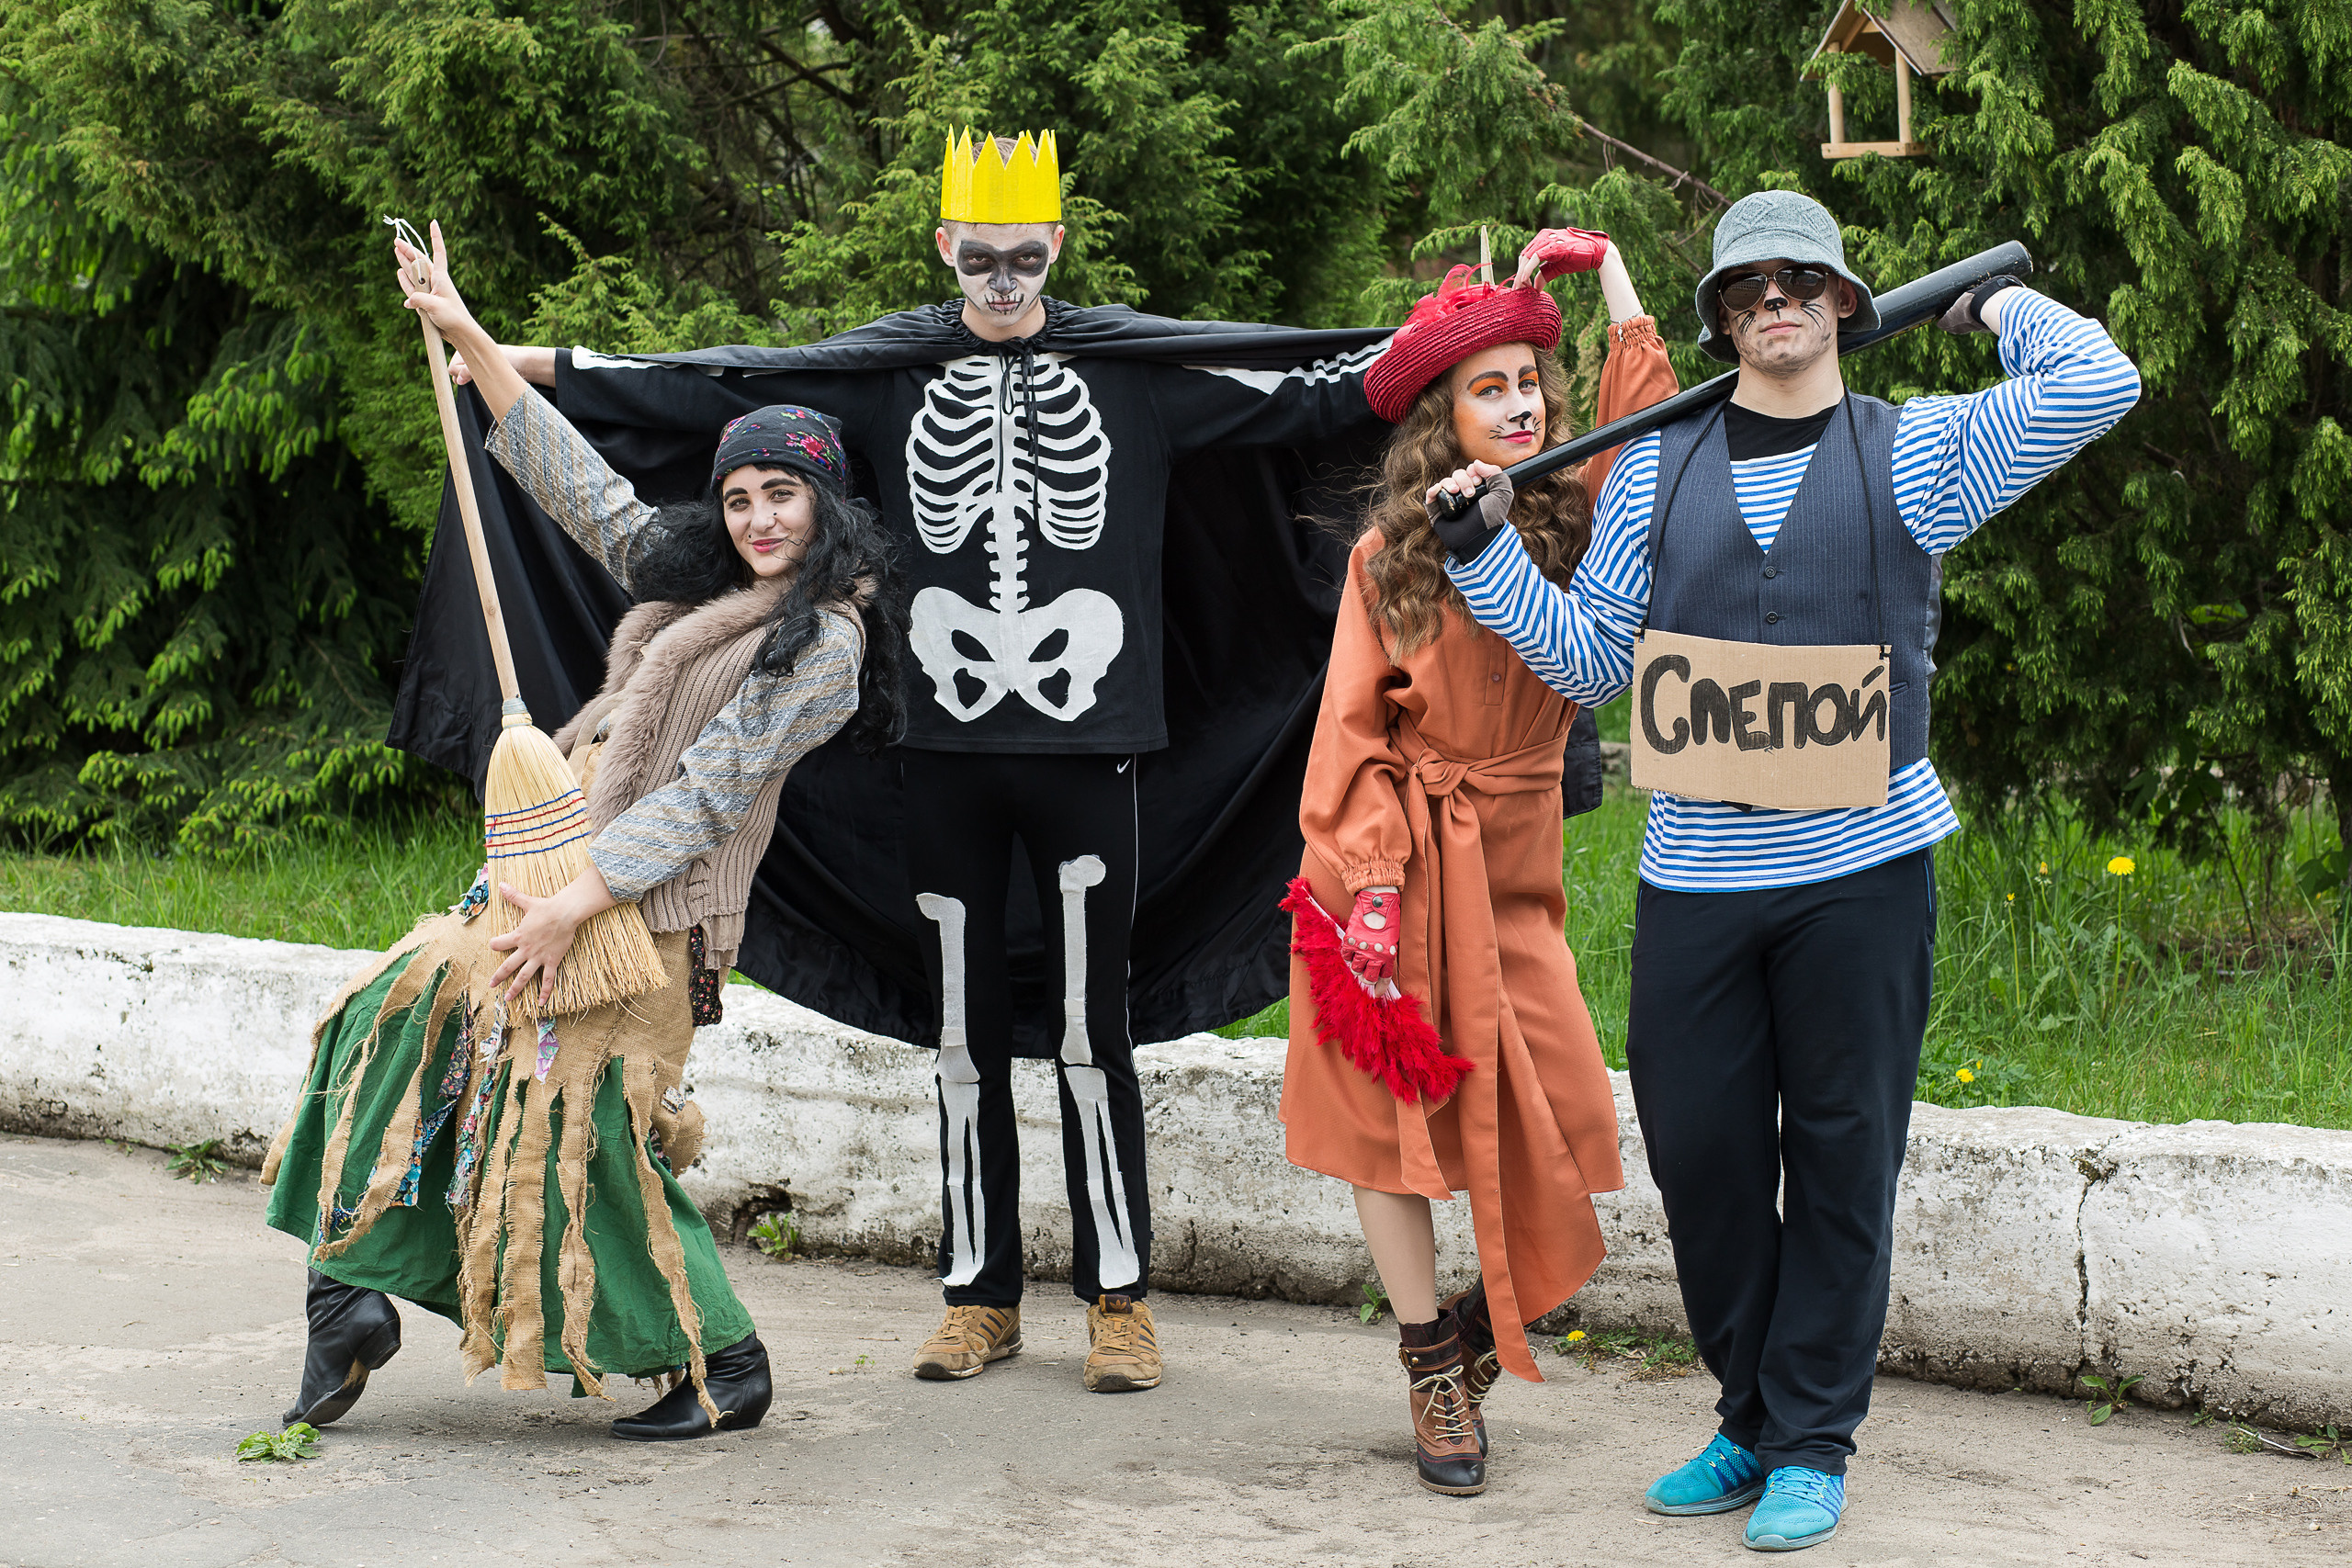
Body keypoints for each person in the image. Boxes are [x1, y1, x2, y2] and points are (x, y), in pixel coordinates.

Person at [447, 130, 1392, 1394]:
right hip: (942, 754)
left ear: (1058, 244)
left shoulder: (1137, 373)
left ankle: (1120, 1299)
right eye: (980, 255)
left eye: (1025, 254)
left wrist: (1467, 333)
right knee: (963, 1033)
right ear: (945, 247)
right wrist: (523, 364)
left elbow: (1317, 392)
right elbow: (719, 388)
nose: (1003, 279)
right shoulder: (893, 374)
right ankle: (977, 1296)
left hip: (1088, 750)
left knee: (1088, 1030)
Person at [1431, 191, 2140, 1546]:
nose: (1776, 301)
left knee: (1840, 1159)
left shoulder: (1920, 452)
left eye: (1802, 280)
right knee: (1700, 1161)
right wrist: (1484, 559)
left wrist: (1987, 306)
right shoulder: (1653, 467)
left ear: (1843, 302)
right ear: (1720, 316)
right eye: (1749, 285)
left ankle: (1810, 1434)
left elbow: (2098, 381)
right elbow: (1589, 660)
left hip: (1862, 873)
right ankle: (1749, 1413)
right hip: (1698, 873)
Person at [260, 220, 906, 1442]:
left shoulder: (825, 643)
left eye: (782, 493)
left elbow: (708, 796)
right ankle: (346, 1291)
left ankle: (726, 1364)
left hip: (643, 928)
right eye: (740, 496)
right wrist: (467, 334)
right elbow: (585, 492)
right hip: (550, 889)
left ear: (827, 503)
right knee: (401, 1014)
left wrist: (573, 904)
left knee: (586, 1130)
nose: (760, 516)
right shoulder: (699, 585)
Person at [1282, 229, 1676, 1496]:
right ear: (1441, 420)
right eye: (1487, 388)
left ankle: (1478, 1326)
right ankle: (1430, 1365)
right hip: (1387, 864)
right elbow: (1356, 734)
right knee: (1380, 1128)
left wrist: (1611, 276)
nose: (1516, 406)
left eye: (1529, 383)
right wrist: (1372, 885)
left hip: (1514, 862)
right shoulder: (1387, 557)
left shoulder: (1577, 518)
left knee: (1572, 1118)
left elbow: (1651, 432)